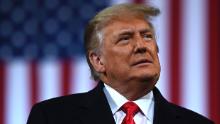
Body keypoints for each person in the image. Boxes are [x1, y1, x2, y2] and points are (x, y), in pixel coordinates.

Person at [27, 3, 214, 124]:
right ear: (98, 61)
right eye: (125, 39)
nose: (141, 46)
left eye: (147, 36)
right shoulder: (52, 117)